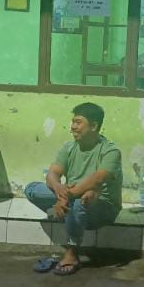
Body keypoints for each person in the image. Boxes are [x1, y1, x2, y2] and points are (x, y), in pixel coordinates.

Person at [25, 102, 122, 275]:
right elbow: (52, 174)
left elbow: (97, 179)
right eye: (73, 122)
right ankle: (64, 209)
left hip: (101, 206)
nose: (72, 127)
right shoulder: (69, 147)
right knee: (32, 189)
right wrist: (59, 189)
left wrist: (66, 196)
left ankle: (72, 253)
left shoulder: (110, 151)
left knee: (80, 201)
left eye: (78, 122)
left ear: (94, 126)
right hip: (71, 195)